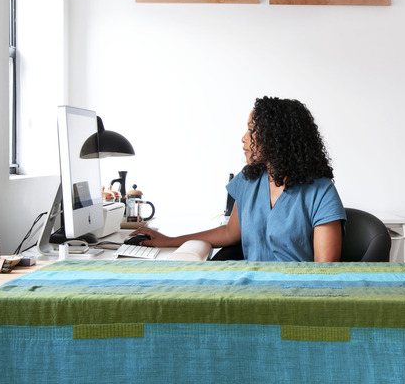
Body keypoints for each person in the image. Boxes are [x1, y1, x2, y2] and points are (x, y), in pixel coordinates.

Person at [130, 96, 346, 261]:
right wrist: (169, 241)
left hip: (295, 295)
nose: (244, 138)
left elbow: (324, 270)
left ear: (277, 138)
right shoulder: (249, 180)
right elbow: (229, 232)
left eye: (252, 129)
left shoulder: (321, 192)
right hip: (250, 290)